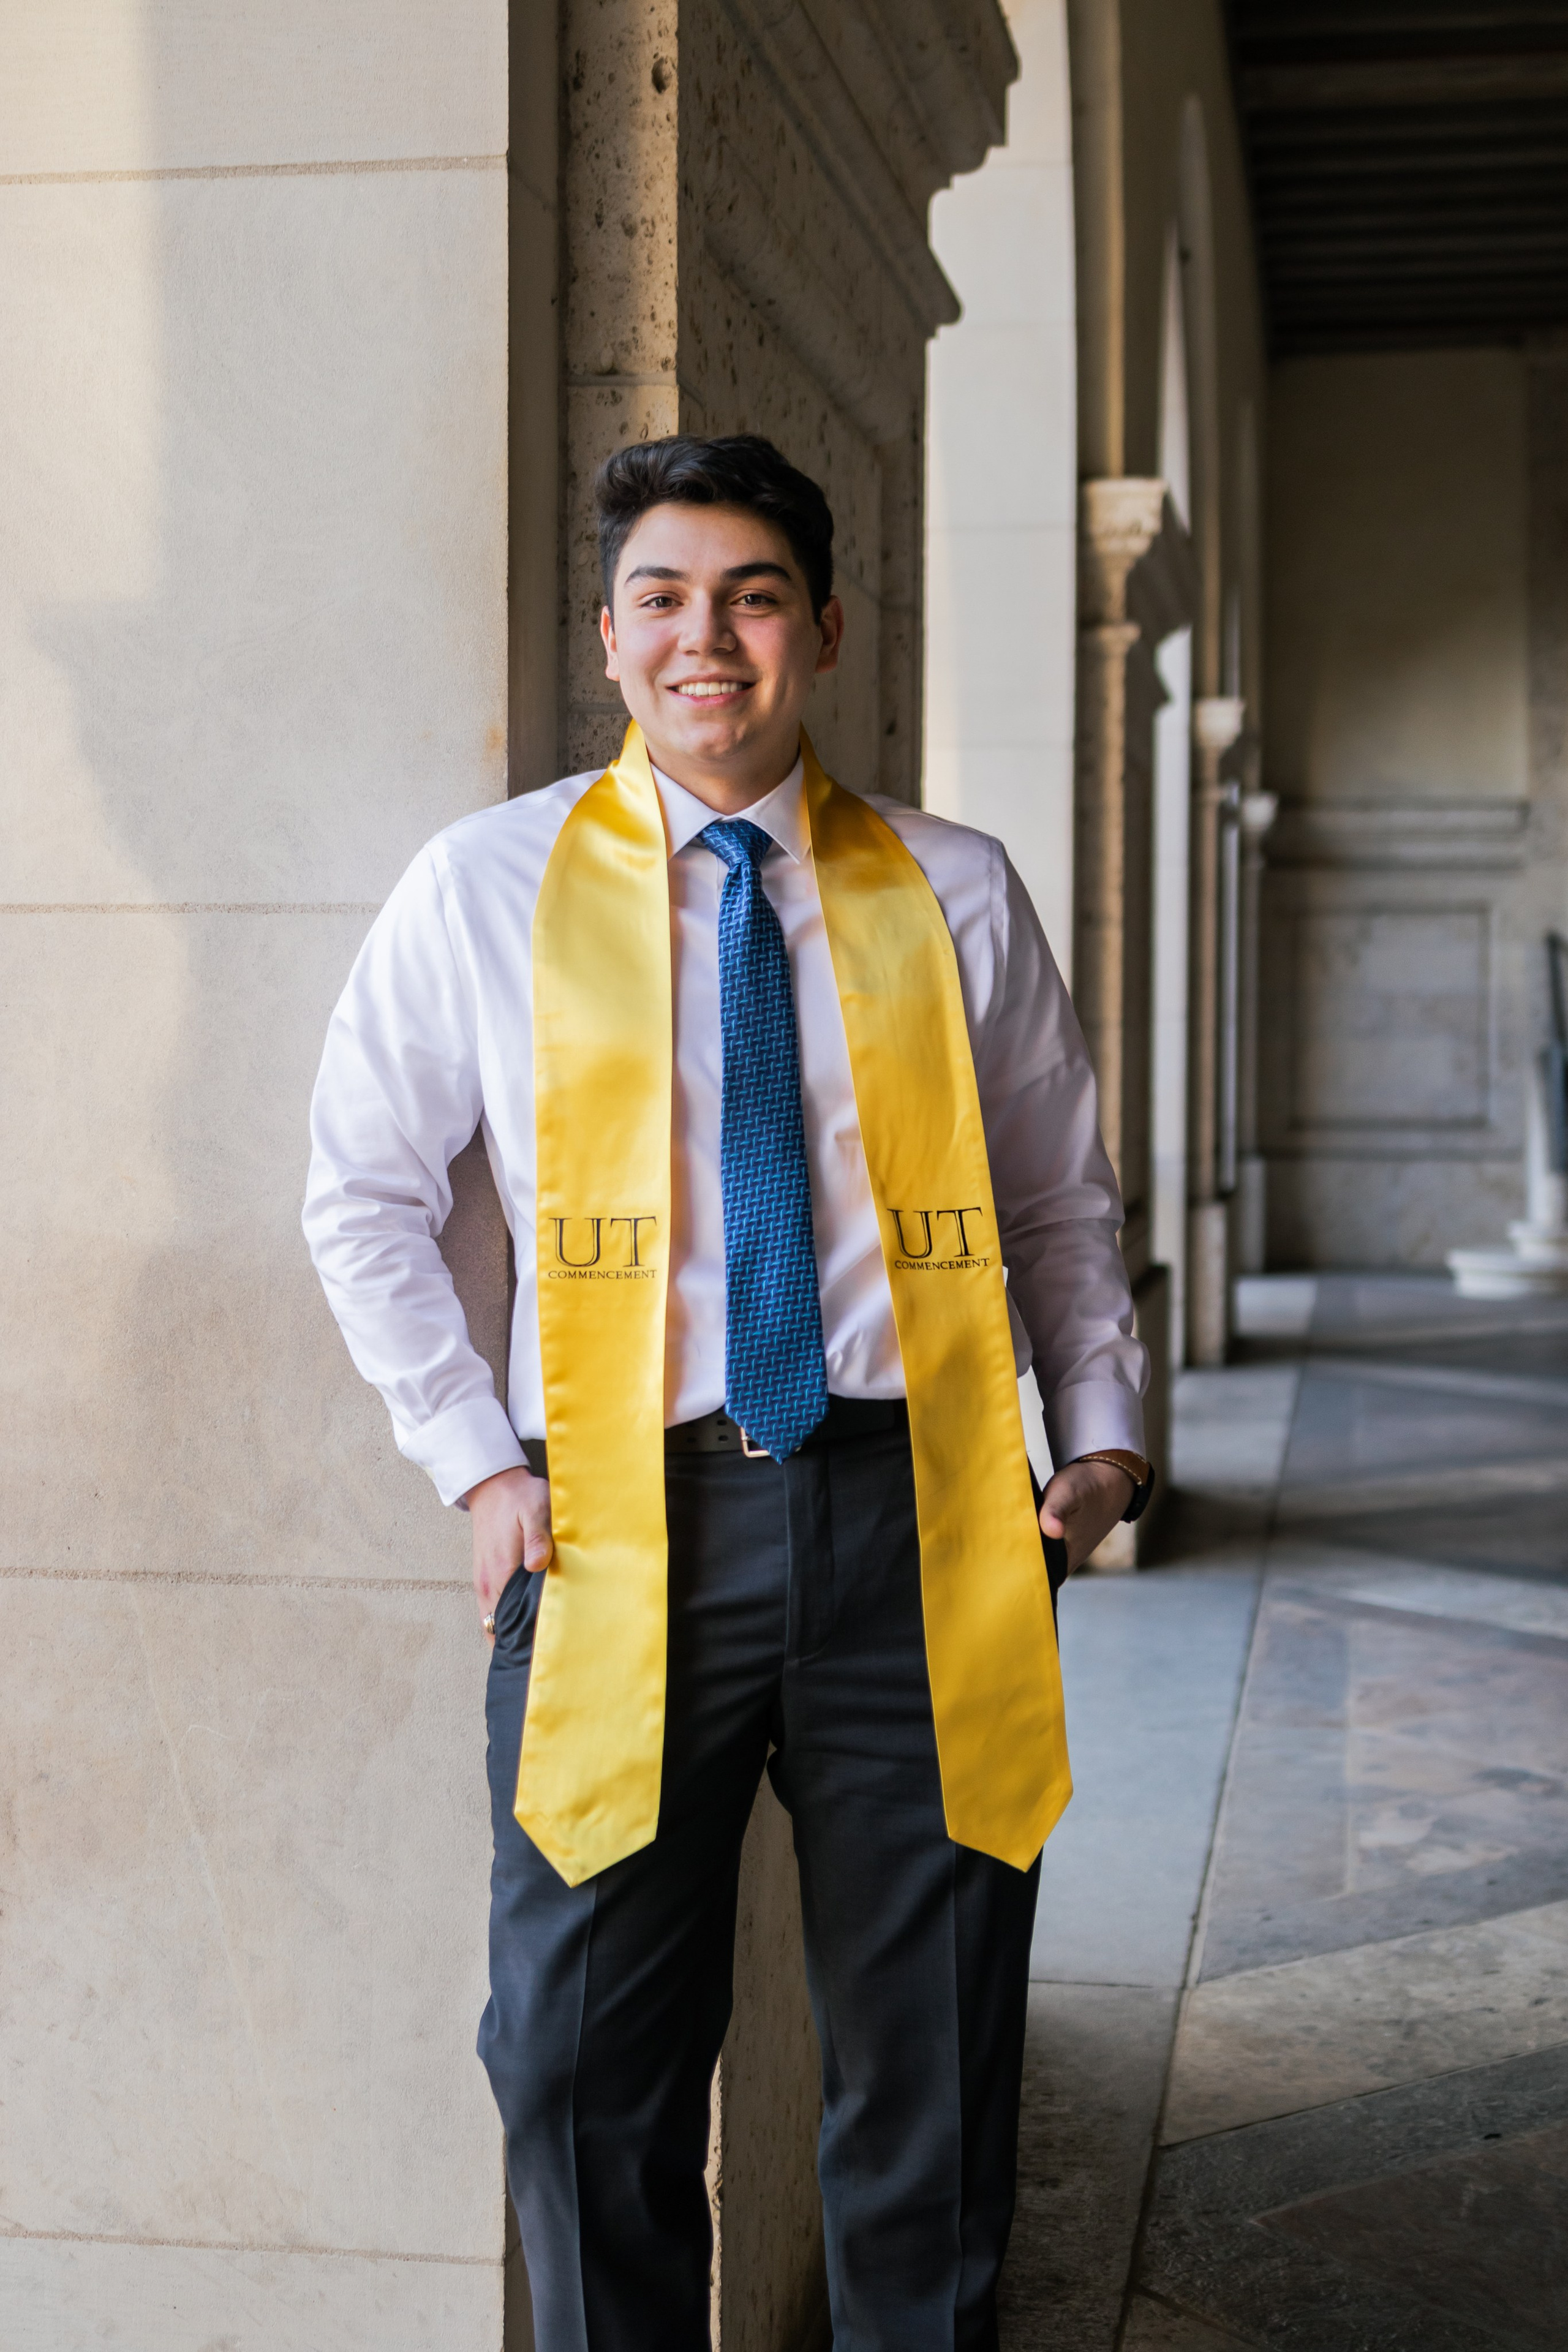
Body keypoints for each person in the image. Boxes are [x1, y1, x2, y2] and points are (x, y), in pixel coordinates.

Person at [303, 433, 1150, 2350]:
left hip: (915, 1522)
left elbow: (1057, 1200)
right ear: (611, 640)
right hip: (613, 1525)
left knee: (929, 2085)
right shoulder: (484, 887)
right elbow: (359, 1196)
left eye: (755, 598)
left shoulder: (957, 891)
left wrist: (1098, 1442)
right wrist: (474, 1469)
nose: (712, 641)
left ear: (825, 631)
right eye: (667, 601)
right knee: (580, 2066)